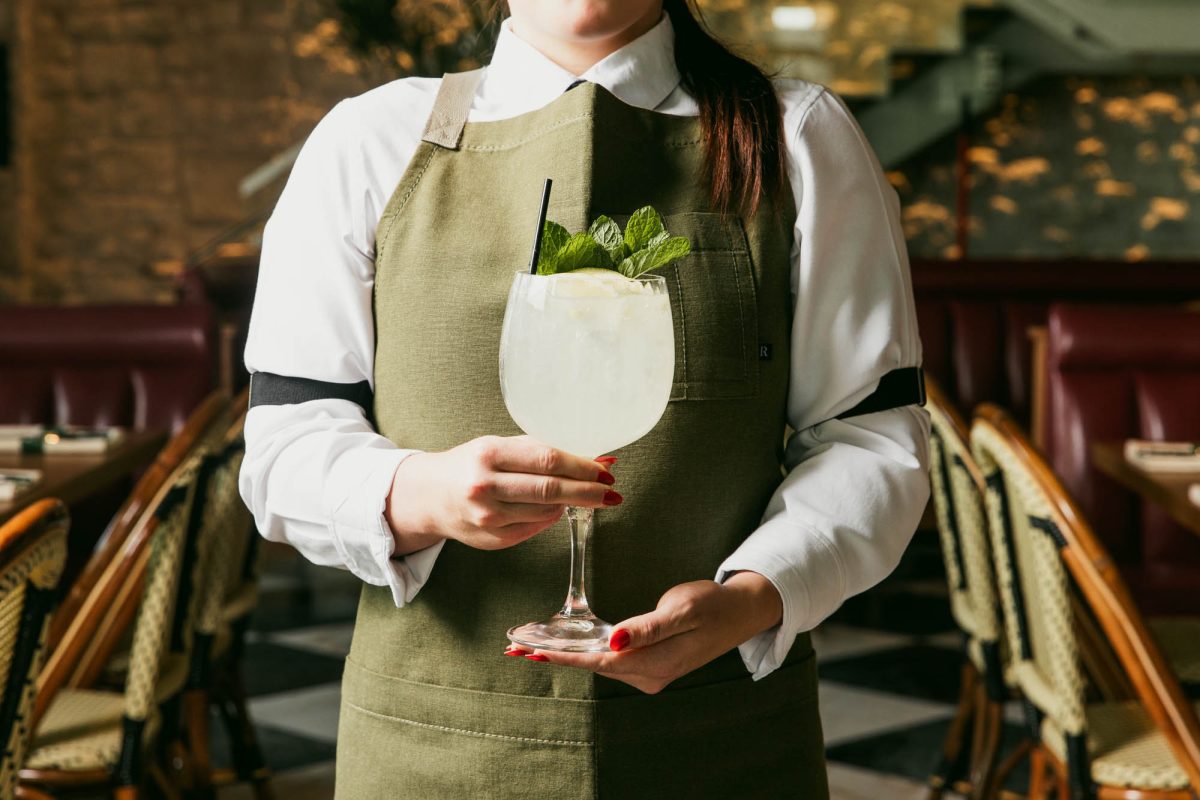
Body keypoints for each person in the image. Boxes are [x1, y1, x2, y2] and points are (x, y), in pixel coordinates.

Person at [239, 0, 930, 796]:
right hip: (436, 738)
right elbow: (284, 444)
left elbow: (871, 437)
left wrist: (755, 597)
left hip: (718, 737)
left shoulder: (798, 137)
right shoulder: (369, 140)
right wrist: (415, 494)